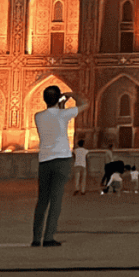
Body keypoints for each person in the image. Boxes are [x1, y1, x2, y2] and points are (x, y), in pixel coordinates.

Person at [31, 85, 87, 247]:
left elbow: (56, 116)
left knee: (42, 200)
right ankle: (48, 237)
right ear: (58, 98)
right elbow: (85, 104)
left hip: (44, 161)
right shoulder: (64, 115)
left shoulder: (38, 116)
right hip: (62, 160)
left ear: (44, 99)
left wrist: (60, 104)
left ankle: (36, 239)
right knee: (55, 200)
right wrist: (73, 94)